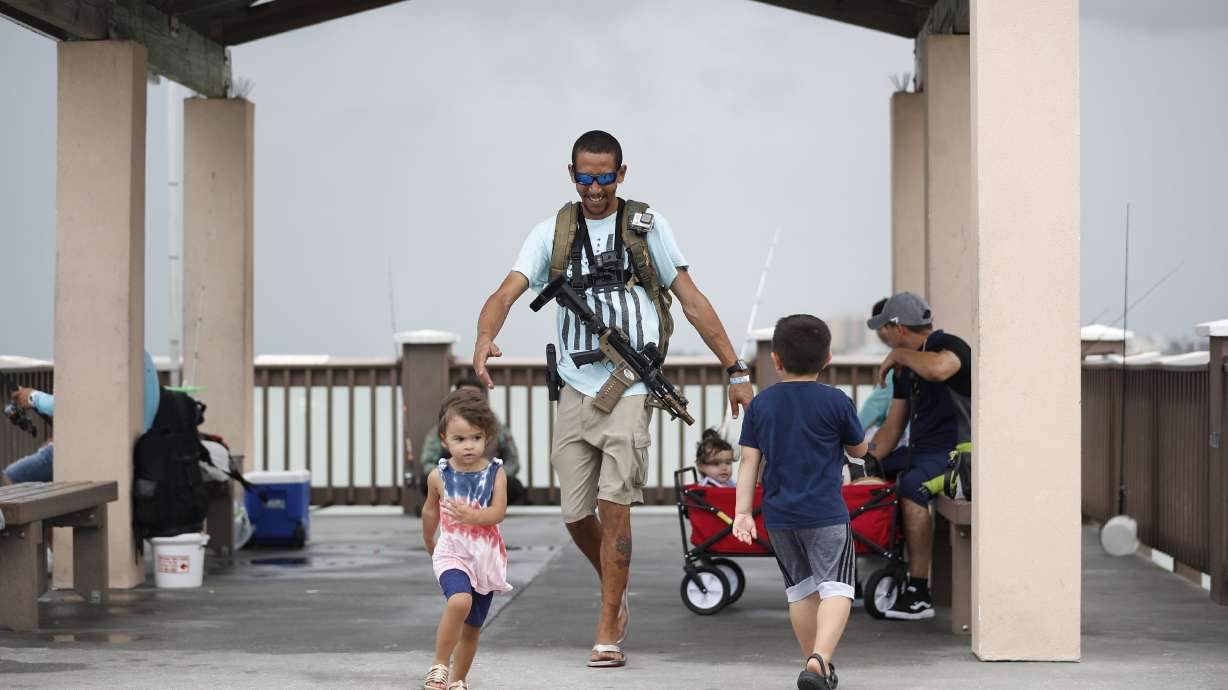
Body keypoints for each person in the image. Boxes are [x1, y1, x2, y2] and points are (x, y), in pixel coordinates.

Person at [472, 130, 753, 667]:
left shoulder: (647, 228)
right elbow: (506, 292)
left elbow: (690, 300)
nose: (595, 187)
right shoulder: (552, 231)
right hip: (576, 388)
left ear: (622, 174)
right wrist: (485, 338)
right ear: (571, 173)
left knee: (614, 505)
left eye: (605, 176)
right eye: (585, 176)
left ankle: (607, 625)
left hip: (631, 385)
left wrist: (735, 368)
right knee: (576, 514)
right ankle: (613, 580)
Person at [733, 314, 868, 690]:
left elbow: (748, 461)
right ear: (827, 358)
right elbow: (859, 448)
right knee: (838, 587)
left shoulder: (761, 406)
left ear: (775, 360)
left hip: (779, 516)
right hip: (825, 512)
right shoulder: (836, 401)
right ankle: (819, 660)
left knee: (802, 591)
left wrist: (742, 513)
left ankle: (816, 667)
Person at [863, 292, 971, 620]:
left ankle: (918, 590)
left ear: (898, 327)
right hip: (922, 452)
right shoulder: (904, 368)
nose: (883, 336)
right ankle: (876, 564)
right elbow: (891, 430)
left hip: (958, 457)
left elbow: (939, 369)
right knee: (876, 470)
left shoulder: (950, 344)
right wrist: (861, 459)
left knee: (912, 485)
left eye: (885, 329)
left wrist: (898, 354)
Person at [420, 388, 512, 690]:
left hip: (485, 557)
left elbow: (498, 513)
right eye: (460, 439)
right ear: (444, 440)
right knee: (459, 601)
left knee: (472, 628)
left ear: (487, 437)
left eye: (475, 437)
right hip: (453, 552)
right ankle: (439, 666)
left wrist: (473, 516)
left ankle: (459, 680)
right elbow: (430, 511)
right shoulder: (439, 475)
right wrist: (429, 541)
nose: (469, 446)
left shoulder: (496, 473)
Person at [2, 350, 159, 485]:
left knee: (9, 477)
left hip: (94, 453)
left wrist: (32, 397)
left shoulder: (111, 357)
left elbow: (67, 404)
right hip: (137, 451)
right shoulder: (144, 358)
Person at [418, 376, 525, 505]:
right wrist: (450, 475)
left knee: (514, 485)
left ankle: (489, 506)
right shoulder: (444, 428)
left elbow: (513, 462)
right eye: (460, 439)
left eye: (477, 437)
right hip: (452, 480)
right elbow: (427, 462)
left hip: (487, 480)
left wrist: (492, 475)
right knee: (427, 480)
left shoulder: (497, 428)